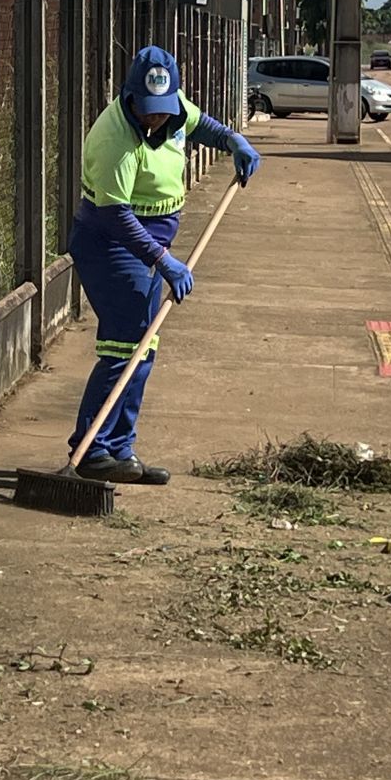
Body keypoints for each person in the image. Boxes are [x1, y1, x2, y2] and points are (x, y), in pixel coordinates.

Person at [66, 45, 260, 484]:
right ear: (130, 96)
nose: (156, 118)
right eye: (148, 109)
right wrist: (163, 260)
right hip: (112, 244)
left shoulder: (171, 109)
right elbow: (115, 217)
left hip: (152, 246)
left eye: (164, 109)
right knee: (124, 346)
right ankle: (91, 450)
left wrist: (232, 140)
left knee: (143, 346)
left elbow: (198, 123)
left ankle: (119, 449)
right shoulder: (113, 140)